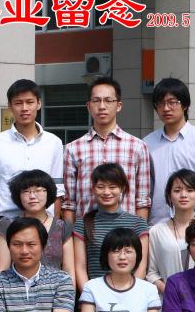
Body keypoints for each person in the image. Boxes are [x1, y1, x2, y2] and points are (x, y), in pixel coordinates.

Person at [62, 76, 151, 223]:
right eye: (96, 100)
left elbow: (142, 200)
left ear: (119, 106)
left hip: (125, 232)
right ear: (88, 106)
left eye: (108, 100)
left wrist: (138, 233)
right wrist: (71, 234)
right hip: (86, 232)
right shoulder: (73, 149)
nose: (102, 106)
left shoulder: (137, 147)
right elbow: (69, 202)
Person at [145, 78, 195, 225]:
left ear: (185, 104)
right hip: (158, 225)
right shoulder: (146, 143)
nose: (166, 108)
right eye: (160, 103)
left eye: (172, 102)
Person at [0, 79, 65, 219]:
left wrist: (52, 227)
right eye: (18, 103)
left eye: (30, 102)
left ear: (39, 104)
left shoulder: (54, 143)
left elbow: (57, 190)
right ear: (10, 105)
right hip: (6, 222)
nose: (24, 108)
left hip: (43, 223)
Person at [73, 164, 149, 292]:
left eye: (112, 187)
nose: (106, 192)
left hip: (130, 294)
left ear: (122, 188)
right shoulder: (82, 224)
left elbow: (141, 267)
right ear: (93, 189)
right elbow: (80, 267)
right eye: (101, 187)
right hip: (95, 295)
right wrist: (90, 296)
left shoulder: (138, 223)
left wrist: (130, 294)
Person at [0, 170, 75, 277]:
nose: (32, 196)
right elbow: (2, 270)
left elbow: (69, 270)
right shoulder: (7, 226)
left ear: (49, 192)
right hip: (16, 286)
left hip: (57, 287)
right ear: (18, 195)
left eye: (38, 190)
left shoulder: (62, 227)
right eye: (26, 191)